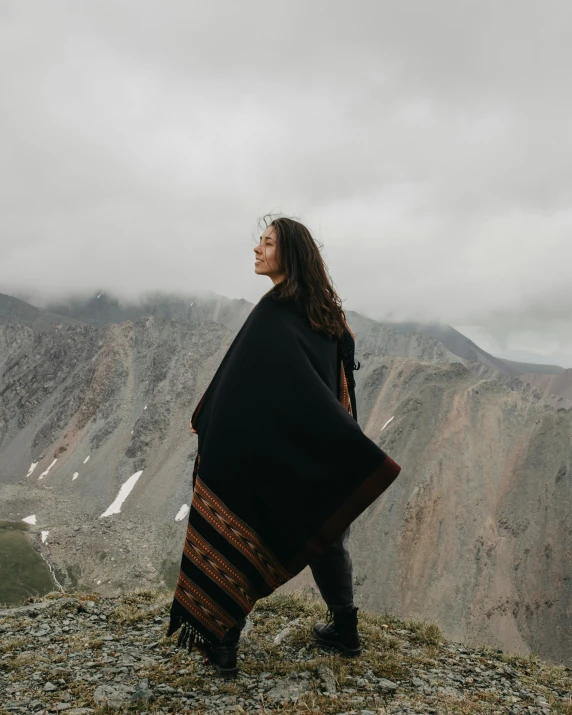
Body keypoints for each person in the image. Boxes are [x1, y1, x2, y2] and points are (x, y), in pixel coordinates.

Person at [168, 214, 401, 678]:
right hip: (310, 446)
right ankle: (344, 629)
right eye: (259, 241)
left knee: (244, 520)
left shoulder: (275, 314)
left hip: (263, 448)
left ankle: (224, 643)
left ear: (289, 254)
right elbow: (331, 387)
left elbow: (242, 389)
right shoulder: (326, 315)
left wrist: (217, 428)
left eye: (268, 243)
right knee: (322, 529)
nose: (257, 250)